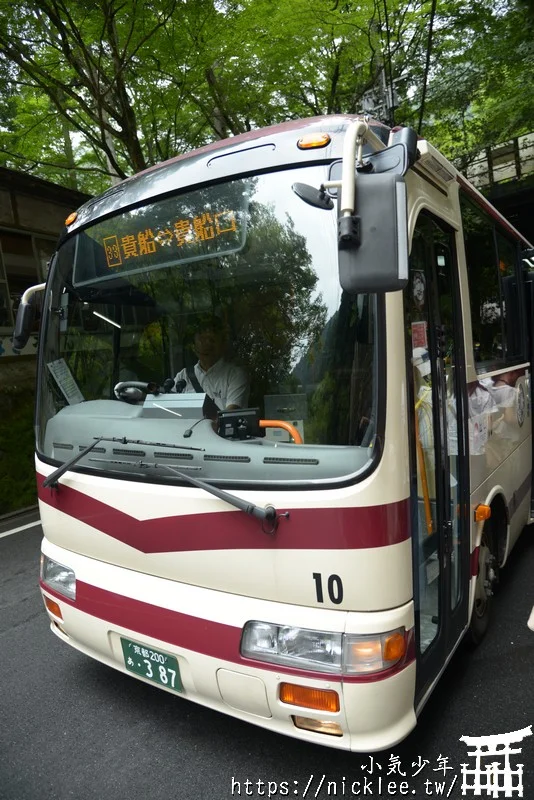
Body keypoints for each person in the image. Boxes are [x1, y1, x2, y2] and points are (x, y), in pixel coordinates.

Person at [173, 318, 249, 414]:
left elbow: (230, 413)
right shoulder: (183, 376)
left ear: (223, 345)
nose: (207, 345)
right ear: (194, 346)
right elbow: (168, 406)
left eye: (212, 340)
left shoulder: (235, 375)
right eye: (202, 340)